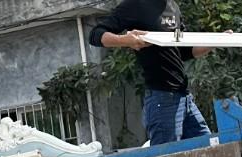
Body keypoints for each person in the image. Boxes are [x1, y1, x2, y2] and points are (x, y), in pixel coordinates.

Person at [89, 0, 223, 146]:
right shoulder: (135, 5)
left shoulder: (173, 7)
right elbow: (95, 35)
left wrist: (217, 41)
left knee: (209, 149)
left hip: (184, 98)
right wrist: (126, 40)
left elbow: (185, 51)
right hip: (162, 98)